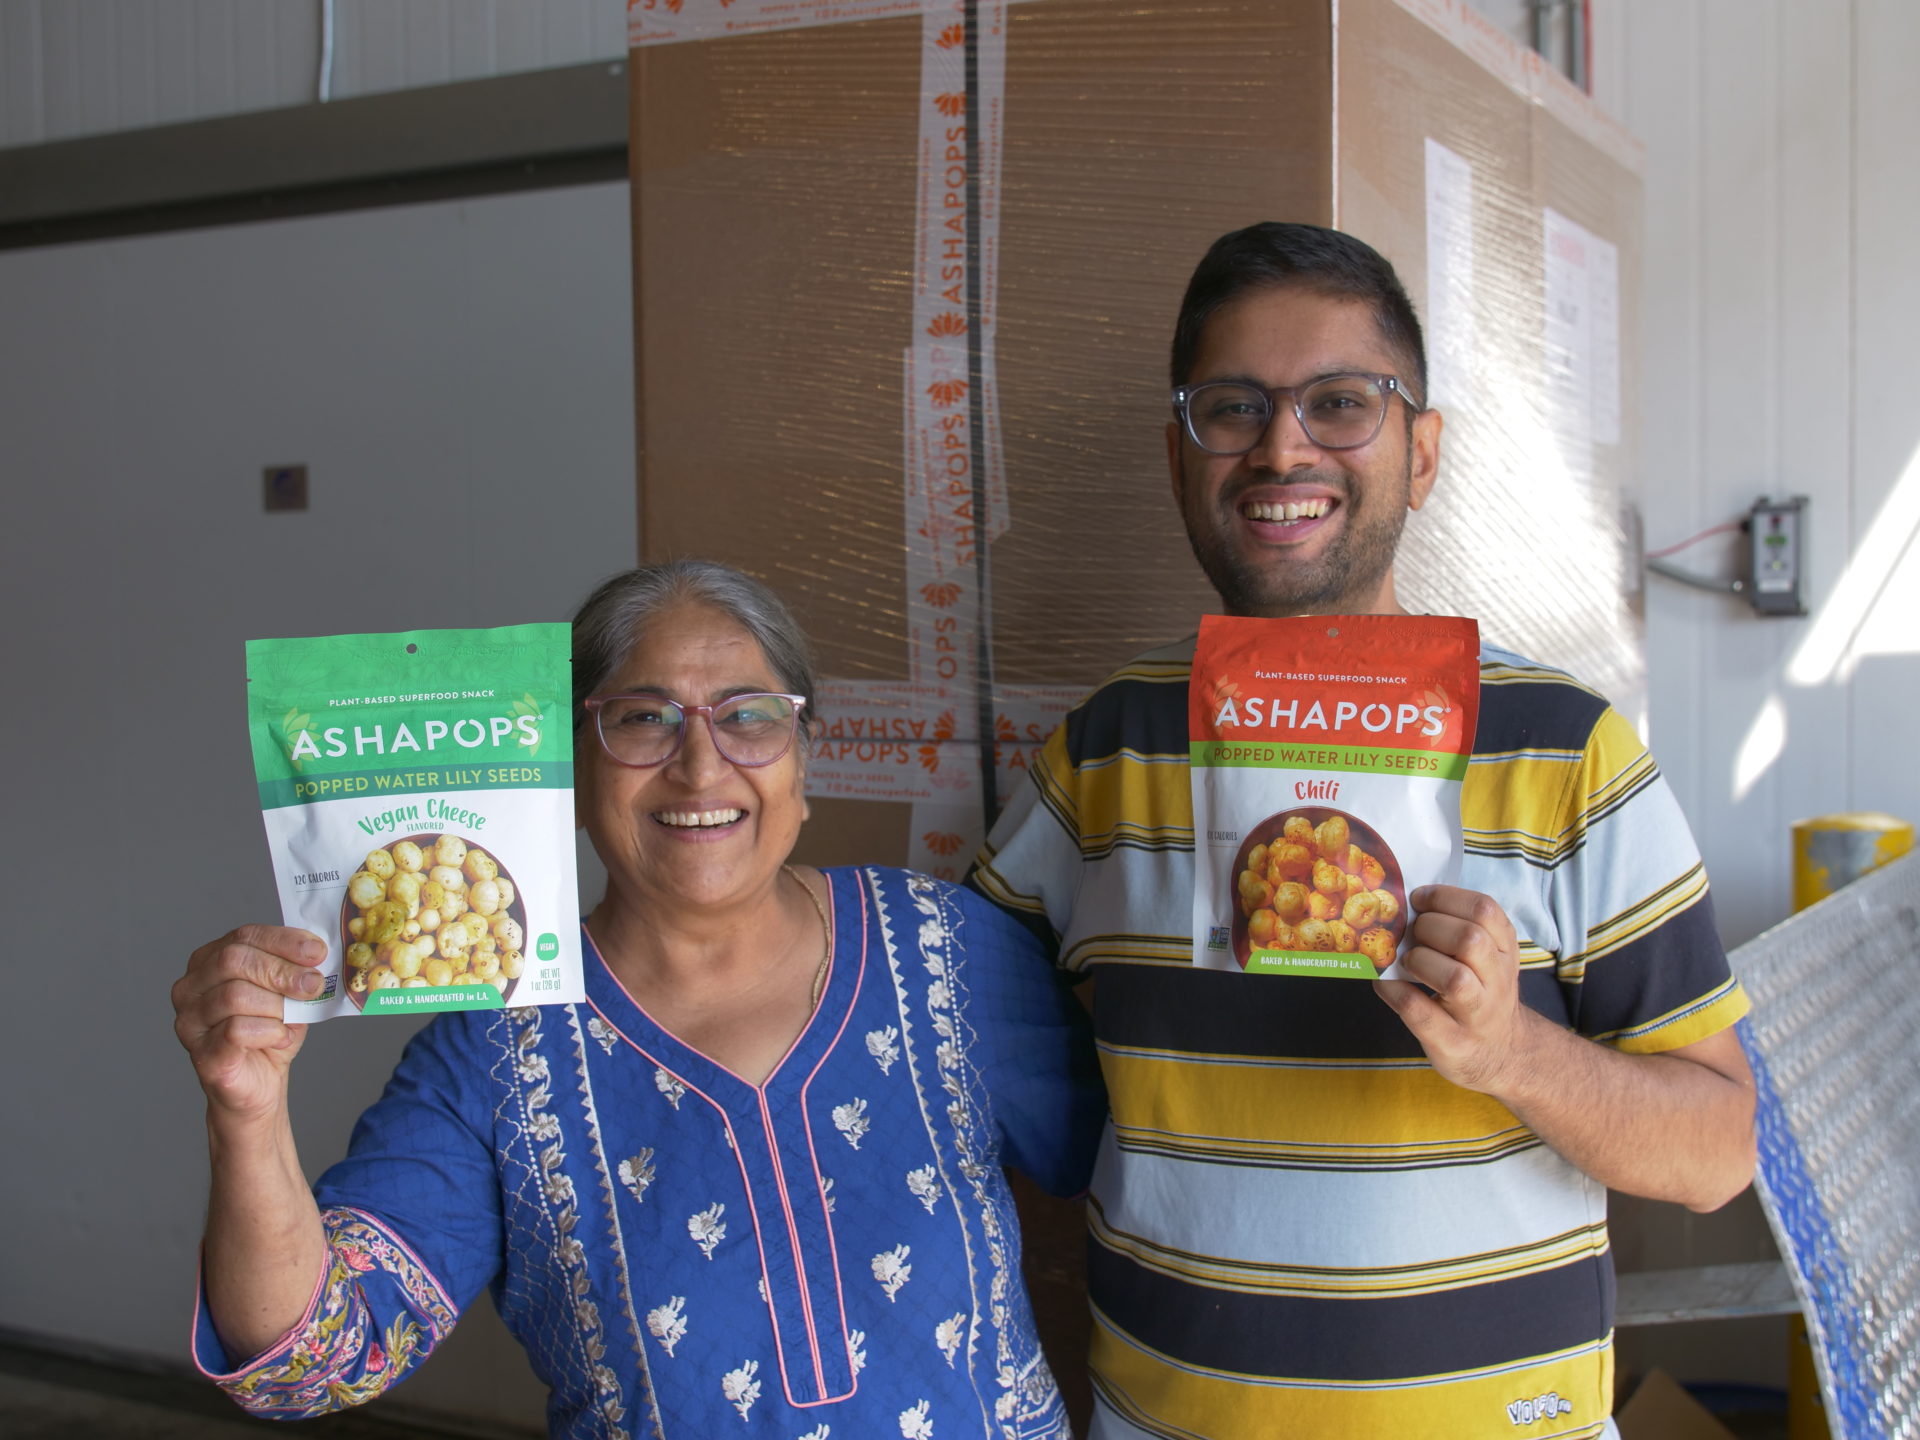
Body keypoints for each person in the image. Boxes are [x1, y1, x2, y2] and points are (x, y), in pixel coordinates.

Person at [969, 223, 1756, 1439]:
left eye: (1341, 401)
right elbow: (948, 1035)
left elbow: (1718, 1152)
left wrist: (1514, 1054)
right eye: (1230, 407)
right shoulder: (1106, 753)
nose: (1281, 446)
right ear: (1180, 460)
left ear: (1422, 453)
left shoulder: (1567, 752)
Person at [174, 559, 1105, 1438]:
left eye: (750, 716)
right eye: (642, 718)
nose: (701, 767)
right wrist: (245, 1112)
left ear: (803, 763)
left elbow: (1142, 1166)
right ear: (570, 773)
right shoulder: (493, 1054)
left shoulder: (949, 950)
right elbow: (313, 1362)